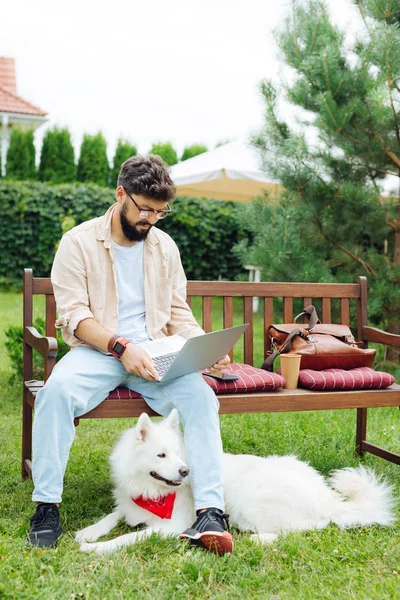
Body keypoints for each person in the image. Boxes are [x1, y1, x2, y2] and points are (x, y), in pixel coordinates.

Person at [28, 154, 233, 555]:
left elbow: (177, 311)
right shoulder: (78, 243)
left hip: (157, 355)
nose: (152, 219)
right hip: (98, 351)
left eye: (160, 212)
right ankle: (46, 506)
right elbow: (74, 316)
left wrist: (204, 345)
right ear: (121, 194)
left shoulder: (164, 247)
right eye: (145, 209)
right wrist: (122, 348)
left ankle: (211, 511)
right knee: (55, 395)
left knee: (202, 399)